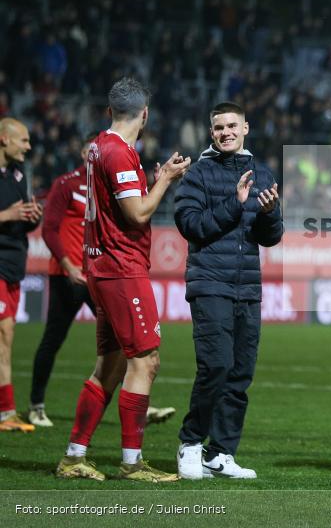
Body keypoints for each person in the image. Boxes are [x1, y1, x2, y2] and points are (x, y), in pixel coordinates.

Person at [55, 77, 191, 482]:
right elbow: (137, 214)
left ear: (109, 111)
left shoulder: (99, 145)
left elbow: (124, 207)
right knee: (146, 361)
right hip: (120, 269)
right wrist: (165, 178)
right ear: (145, 114)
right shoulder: (117, 152)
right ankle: (132, 463)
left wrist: (154, 179)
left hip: (101, 266)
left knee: (111, 367)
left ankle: (73, 456)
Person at [29, 135, 177, 428]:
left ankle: (137, 402)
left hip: (97, 273)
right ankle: (36, 404)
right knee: (53, 339)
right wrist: (68, 265)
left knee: (124, 344)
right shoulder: (66, 184)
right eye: (87, 150)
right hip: (67, 276)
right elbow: (50, 230)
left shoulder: (106, 185)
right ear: (86, 153)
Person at [174, 101, 283, 480]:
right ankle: (190, 442)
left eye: (232, 126)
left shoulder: (264, 174)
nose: (226, 133)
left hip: (247, 288)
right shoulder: (198, 174)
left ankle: (220, 453)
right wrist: (235, 205)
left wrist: (269, 214)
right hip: (209, 283)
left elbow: (271, 238)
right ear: (211, 133)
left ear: (246, 128)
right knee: (216, 366)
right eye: (219, 127)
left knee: (239, 373)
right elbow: (190, 225)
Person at [0, 117, 42, 433]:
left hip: (15, 266)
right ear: (4, 139)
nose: (28, 146)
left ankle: (6, 411)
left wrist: (30, 217)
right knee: (5, 335)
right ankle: (6, 412)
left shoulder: (17, 174)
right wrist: (8, 214)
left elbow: (19, 220)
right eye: (23, 140)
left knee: (6, 336)